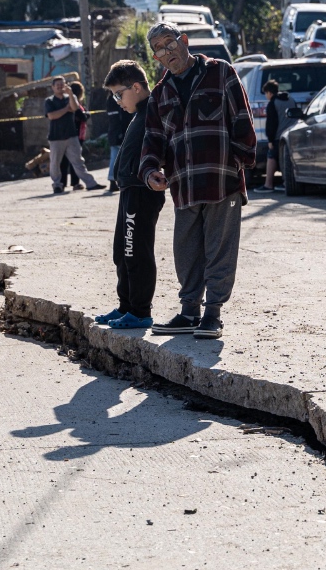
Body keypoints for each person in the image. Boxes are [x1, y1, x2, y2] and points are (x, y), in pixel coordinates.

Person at [139, 22, 256, 340]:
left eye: (169, 43)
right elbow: (152, 139)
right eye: (159, 49)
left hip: (223, 180)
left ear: (184, 40)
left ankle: (213, 314)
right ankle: (189, 311)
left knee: (220, 248)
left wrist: (240, 162)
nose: (166, 52)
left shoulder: (220, 72)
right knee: (187, 250)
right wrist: (150, 172)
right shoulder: (160, 93)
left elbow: (242, 119)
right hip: (184, 183)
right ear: (156, 58)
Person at [95, 60, 165, 330]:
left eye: (118, 94)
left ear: (136, 87)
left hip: (142, 191)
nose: (116, 101)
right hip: (128, 192)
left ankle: (140, 311)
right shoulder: (137, 113)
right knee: (121, 253)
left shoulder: (151, 111)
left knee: (136, 252)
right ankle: (126, 306)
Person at [44, 76, 102, 193]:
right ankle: (57, 184)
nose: (60, 87)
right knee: (55, 163)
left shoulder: (71, 97)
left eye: (62, 84)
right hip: (56, 137)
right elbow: (51, 116)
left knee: (78, 162)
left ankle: (91, 183)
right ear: (53, 87)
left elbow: (75, 108)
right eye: (58, 85)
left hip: (71, 135)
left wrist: (70, 94)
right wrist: (66, 109)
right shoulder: (49, 101)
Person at [253, 79, 288, 193]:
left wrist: (270, 140)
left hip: (278, 136)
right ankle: (285, 183)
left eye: (266, 94)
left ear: (269, 92)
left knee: (271, 156)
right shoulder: (290, 99)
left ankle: (268, 185)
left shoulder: (273, 103)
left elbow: (271, 124)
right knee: (286, 159)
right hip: (290, 135)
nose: (266, 96)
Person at [105, 84, 135, 192]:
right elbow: (118, 119)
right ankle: (113, 180)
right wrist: (120, 133)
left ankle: (115, 180)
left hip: (116, 132)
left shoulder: (110, 99)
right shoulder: (114, 100)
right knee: (116, 157)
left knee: (117, 156)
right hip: (119, 133)